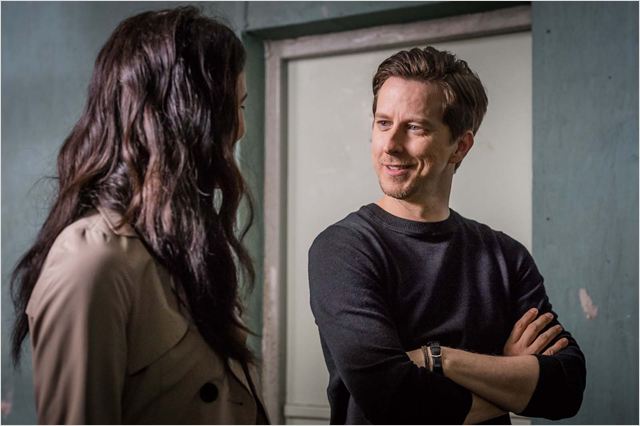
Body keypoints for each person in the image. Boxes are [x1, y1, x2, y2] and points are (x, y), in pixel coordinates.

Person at [10, 7, 268, 424]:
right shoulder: (92, 263)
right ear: (185, 116)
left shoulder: (183, 249)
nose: (240, 128)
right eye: (231, 107)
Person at [308, 46, 586, 424]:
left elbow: (566, 388)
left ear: (460, 146)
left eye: (415, 128)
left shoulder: (505, 256)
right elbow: (390, 400)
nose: (390, 145)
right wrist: (509, 379)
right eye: (383, 123)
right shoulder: (344, 249)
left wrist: (438, 358)